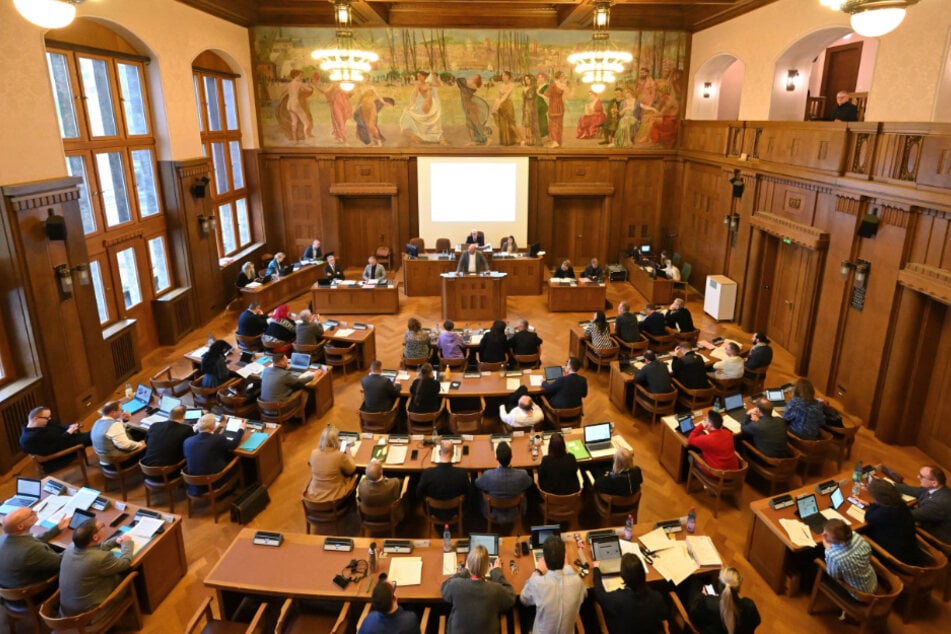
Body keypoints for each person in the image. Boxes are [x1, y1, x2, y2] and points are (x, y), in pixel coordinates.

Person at [58, 518, 134, 616]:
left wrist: (115, 541)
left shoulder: (71, 547)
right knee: (128, 575)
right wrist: (127, 543)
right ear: (95, 537)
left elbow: (94, 549)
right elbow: (125, 562)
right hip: (89, 615)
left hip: (67, 611)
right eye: (102, 526)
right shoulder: (101, 558)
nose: (103, 526)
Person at [440, 545, 515, 634]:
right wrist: (497, 572)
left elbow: (444, 588)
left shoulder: (456, 585)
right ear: (487, 567)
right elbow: (511, 598)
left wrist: (464, 572)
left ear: (468, 564)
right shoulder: (495, 590)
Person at [520, 535, 586, 634]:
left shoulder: (537, 583)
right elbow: (583, 595)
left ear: (545, 560)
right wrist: (567, 567)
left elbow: (523, 599)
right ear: (564, 557)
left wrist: (538, 571)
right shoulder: (578, 582)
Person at [593, 552, 666, 634]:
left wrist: (596, 569)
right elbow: (663, 617)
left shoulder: (618, 599)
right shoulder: (657, 597)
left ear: (622, 575)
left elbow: (599, 595)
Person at [0, 505, 69, 589]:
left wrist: (57, 528)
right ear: (20, 526)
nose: (36, 512)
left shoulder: (4, 538)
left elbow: (33, 540)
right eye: (31, 513)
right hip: (34, 591)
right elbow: (61, 562)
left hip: (10, 585)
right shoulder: (32, 550)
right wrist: (76, 543)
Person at [862, 479, 928, 566]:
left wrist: (874, 504)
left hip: (896, 557)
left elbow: (868, 517)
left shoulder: (885, 512)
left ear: (878, 498)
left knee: (861, 533)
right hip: (909, 549)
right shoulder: (900, 503)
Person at [687, 567, 761, 634]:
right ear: (739, 588)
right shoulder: (749, 606)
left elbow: (693, 616)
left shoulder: (710, 603)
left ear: (719, 586)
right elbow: (756, 622)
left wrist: (702, 596)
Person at [474, 442, 532, 524]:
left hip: (493, 512)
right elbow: (529, 482)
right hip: (515, 511)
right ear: (511, 457)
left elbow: (477, 483)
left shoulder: (488, 475)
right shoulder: (522, 475)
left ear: (496, 458)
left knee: (480, 492)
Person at [183, 414, 242, 493]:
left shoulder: (187, 441)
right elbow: (233, 445)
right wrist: (241, 429)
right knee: (236, 458)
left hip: (193, 484)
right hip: (213, 482)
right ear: (212, 427)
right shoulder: (218, 438)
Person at [20, 405, 91, 471]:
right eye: (47, 418)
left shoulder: (41, 423)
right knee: (94, 436)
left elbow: (59, 426)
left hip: (66, 439)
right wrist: (68, 433)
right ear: (36, 419)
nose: (49, 419)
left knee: (93, 434)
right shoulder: (28, 439)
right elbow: (53, 448)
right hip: (60, 454)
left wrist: (70, 427)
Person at [895, 465, 951, 543]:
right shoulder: (938, 488)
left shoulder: (937, 504)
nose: (918, 477)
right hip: (926, 517)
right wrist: (888, 484)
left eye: (922, 476)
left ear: (934, 483)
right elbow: (914, 491)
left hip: (935, 535)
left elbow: (909, 515)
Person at [416, 439, 470, 520]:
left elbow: (418, 494)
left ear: (439, 453)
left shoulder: (427, 473)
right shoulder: (462, 473)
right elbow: (468, 495)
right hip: (456, 511)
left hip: (432, 511)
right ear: (453, 454)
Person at [822, 518, 877, 596]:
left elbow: (834, 575)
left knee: (821, 571)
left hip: (860, 594)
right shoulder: (857, 536)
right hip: (873, 582)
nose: (823, 535)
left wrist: (827, 549)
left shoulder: (833, 556)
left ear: (841, 543)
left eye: (827, 535)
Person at [305, 426, 357, 502]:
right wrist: (348, 454)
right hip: (334, 498)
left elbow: (311, 464)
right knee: (355, 477)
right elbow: (351, 470)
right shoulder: (339, 455)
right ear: (336, 440)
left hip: (314, 496)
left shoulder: (314, 453)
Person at [91, 401, 144, 467]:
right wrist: (141, 444)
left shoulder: (97, 422)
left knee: (136, 433)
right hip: (117, 462)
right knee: (148, 440)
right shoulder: (114, 425)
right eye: (121, 410)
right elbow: (125, 445)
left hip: (104, 461)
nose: (122, 412)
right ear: (113, 412)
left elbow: (114, 432)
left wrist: (124, 421)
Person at [400, 70, 444, 144]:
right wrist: (410, 105)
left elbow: (439, 85)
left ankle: (436, 138)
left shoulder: (429, 83)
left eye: (420, 76)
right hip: (425, 103)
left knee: (433, 120)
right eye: (418, 76)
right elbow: (414, 95)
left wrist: (434, 76)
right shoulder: (418, 85)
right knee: (426, 121)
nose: (418, 77)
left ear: (424, 76)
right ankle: (418, 136)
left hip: (432, 104)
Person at [491, 71, 520, 146]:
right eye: (502, 76)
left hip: (507, 104)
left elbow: (506, 95)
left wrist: (499, 103)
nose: (502, 77)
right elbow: (499, 96)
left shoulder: (511, 85)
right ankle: (505, 141)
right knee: (502, 122)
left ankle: (518, 139)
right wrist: (495, 105)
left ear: (508, 77)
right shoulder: (501, 85)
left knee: (510, 122)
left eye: (504, 76)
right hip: (501, 104)